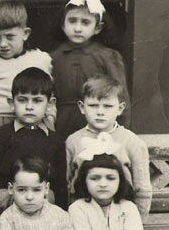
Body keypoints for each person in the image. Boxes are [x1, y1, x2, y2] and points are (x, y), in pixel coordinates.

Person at [0, 67, 67, 212]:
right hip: (6, 207)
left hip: (44, 208)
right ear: (11, 103)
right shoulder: (1, 135)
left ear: (50, 104)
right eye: (22, 100)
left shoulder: (55, 140)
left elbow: (60, 186)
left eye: (37, 101)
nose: (29, 107)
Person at [65, 74, 151, 217]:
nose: (100, 112)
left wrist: (137, 222)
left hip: (122, 217)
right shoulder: (73, 141)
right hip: (83, 217)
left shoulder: (131, 141)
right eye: (93, 106)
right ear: (81, 107)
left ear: (120, 108)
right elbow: (68, 186)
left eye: (107, 106)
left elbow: (142, 189)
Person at [51, 0, 130, 137]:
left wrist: (120, 132)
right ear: (63, 25)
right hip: (62, 123)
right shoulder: (54, 57)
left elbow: (121, 96)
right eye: (72, 21)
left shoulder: (107, 56)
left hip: (99, 122)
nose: (78, 28)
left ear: (97, 28)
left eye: (85, 22)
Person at [0, 0, 53, 138]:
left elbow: (50, 93)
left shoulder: (41, 59)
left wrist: (50, 119)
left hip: (36, 121)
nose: (2, 44)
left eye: (10, 37)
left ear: (25, 34)